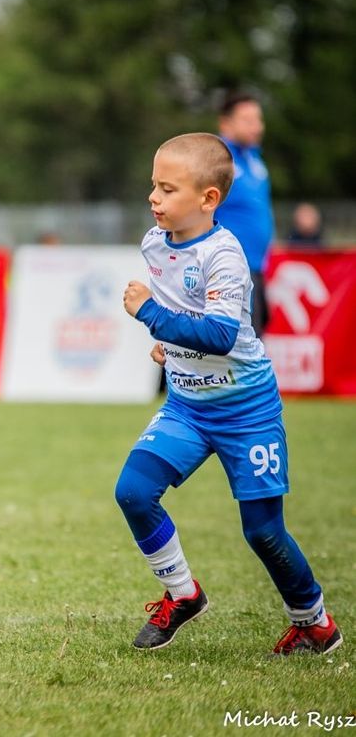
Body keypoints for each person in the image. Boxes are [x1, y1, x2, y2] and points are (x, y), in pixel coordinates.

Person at [117, 132, 341, 655]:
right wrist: (168, 349)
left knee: (263, 532)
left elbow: (220, 334)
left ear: (208, 199)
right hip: (187, 406)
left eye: (168, 189)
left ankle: (315, 623)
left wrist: (150, 314)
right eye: (153, 185)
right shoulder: (154, 243)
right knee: (133, 492)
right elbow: (185, 321)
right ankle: (183, 594)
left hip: (247, 410)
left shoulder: (225, 255)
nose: (154, 198)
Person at [214, 93, 274, 335]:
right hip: (229, 271)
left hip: (257, 267)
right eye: (247, 120)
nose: (257, 126)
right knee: (239, 345)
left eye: (258, 119)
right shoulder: (216, 159)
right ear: (225, 124)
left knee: (256, 333)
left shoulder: (255, 160)